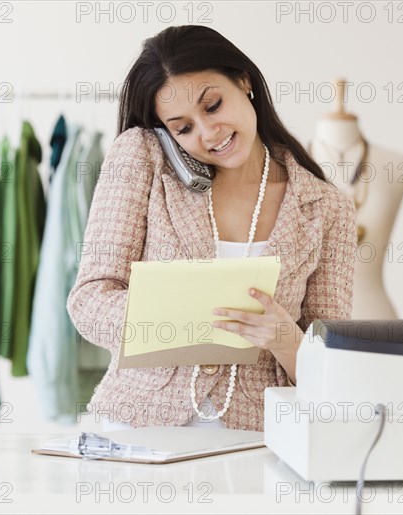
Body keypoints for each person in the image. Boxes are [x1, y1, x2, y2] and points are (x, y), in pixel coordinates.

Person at [67, 25, 357, 432]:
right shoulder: (143, 159)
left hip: (259, 438)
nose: (207, 133)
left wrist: (284, 338)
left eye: (214, 105)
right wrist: (185, 315)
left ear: (244, 82)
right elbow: (89, 301)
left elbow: (332, 369)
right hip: (137, 428)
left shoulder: (327, 209)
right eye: (183, 128)